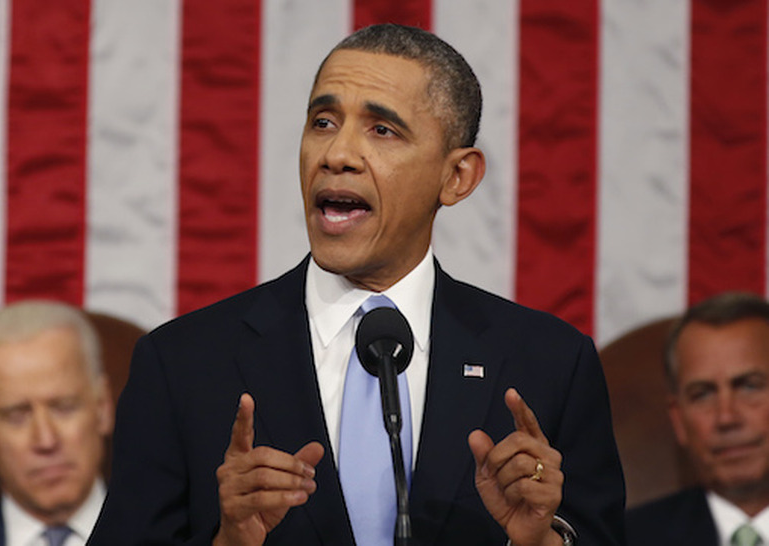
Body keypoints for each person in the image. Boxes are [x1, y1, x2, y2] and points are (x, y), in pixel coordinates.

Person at [89, 24, 624, 545]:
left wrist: (538, 542)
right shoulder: (181, 363)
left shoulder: (552, 363)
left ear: (457, 176)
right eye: (322, 122)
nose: (336, 154)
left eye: (381, 130)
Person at [626, 292, 769, 545]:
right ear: (678, 419)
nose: (726, 417)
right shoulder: (622, 539)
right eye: (702, 395)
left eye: (749, 387)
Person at [0, 301, 113, 546]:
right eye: (17, 416)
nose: (46, 440)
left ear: (102, 408)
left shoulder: (172, 536)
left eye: (64, 408)